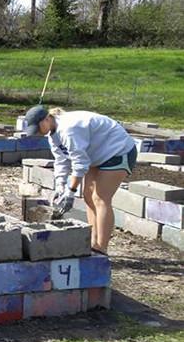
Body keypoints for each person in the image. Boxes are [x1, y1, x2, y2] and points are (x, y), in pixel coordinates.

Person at [24, 105, 137, 254]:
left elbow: (79, 164)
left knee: (101, 198)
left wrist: (70, 192)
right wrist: (60, 186)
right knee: (88, 197)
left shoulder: (69, 129)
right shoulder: (53, 134)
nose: (38, 133)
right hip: (97, 154)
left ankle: (101, 248)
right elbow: (61, 160)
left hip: (118, 151)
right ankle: (93, 242)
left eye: (38, 128)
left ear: (46, 119)